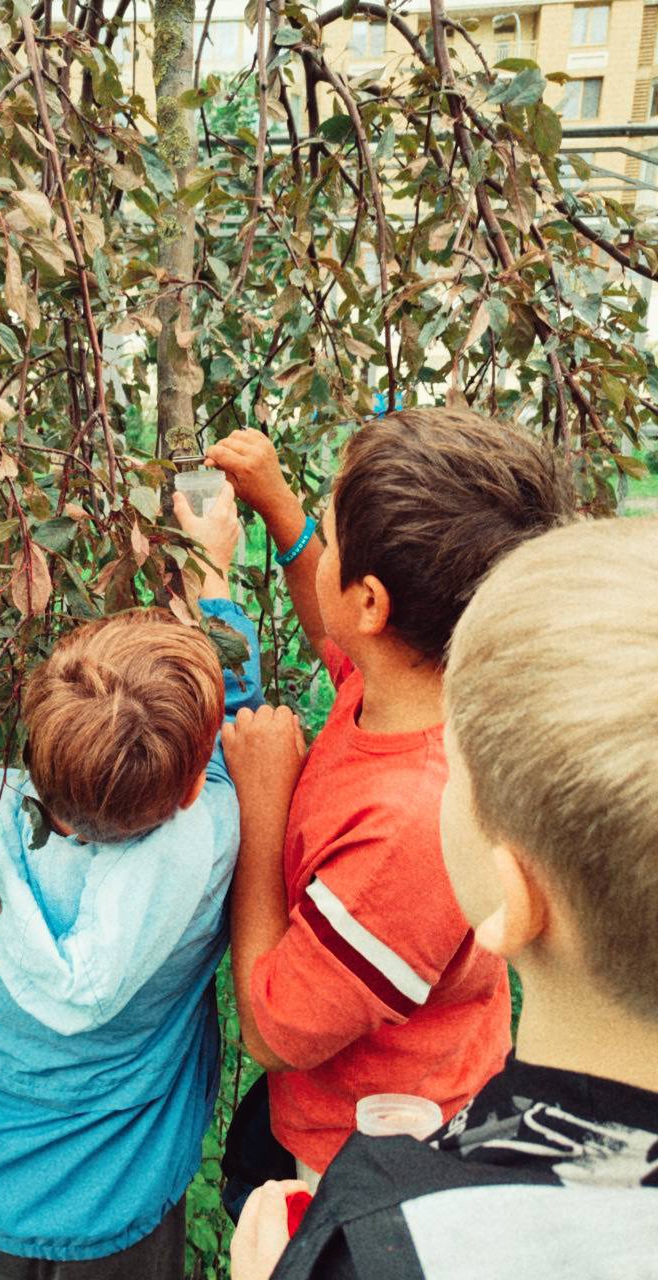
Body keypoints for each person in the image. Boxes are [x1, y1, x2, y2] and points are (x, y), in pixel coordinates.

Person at [228, 515, 658, 1280]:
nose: (435, 757)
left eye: (459, 768)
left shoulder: (376, 1242)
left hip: (354, 1139)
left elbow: (275, 1026)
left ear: (512, 895)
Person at [209, 412, 574, 1191]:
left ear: (373, 602)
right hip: (394, 1075)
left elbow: (274, 1030)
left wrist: (262, 807)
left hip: (364, 1153)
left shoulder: (408, 830)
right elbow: (342, 645)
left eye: (331, 539)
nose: (321, 548)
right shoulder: (427, 688)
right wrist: (283, 514)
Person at [0, 483, 264, 1278]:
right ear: (185, 790)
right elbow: (236, 716)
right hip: (123, 1216)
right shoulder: (209, 841)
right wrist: (213, 574)